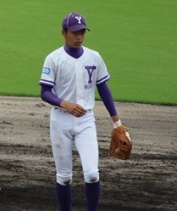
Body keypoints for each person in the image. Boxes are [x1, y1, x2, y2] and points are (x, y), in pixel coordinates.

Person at [39, 12, 125, 211]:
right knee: (64, 177)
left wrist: (117, 122)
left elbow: (103, 88)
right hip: (60, 121)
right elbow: (45, 92)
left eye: (82, 32)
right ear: (64, 33)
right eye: (75, 33)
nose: (79, 37)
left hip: (86, 121)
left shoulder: (94, 57)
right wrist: (65, 104)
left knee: (92, 174)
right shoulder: (53, 59)